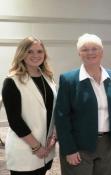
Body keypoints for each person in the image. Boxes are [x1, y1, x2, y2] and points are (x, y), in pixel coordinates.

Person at [54, 33, 111, 175]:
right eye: (85, 49)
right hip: (79, 145)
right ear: (79, 53)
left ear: (102, 52)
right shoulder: (68, 80)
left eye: (95, 48)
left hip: (107, 144)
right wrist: (69, 149)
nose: (90, 52)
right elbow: (62, 118)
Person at [1, 36, 57, 175]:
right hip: (25, 149)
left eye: (39, 51)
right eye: (30, 51)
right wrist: (36, 147)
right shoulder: (12, 81)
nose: (35, 55)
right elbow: (15, 121)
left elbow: (54, 110)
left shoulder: (48, 78)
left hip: (47, 147)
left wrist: (53, 137)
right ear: (22, 53)